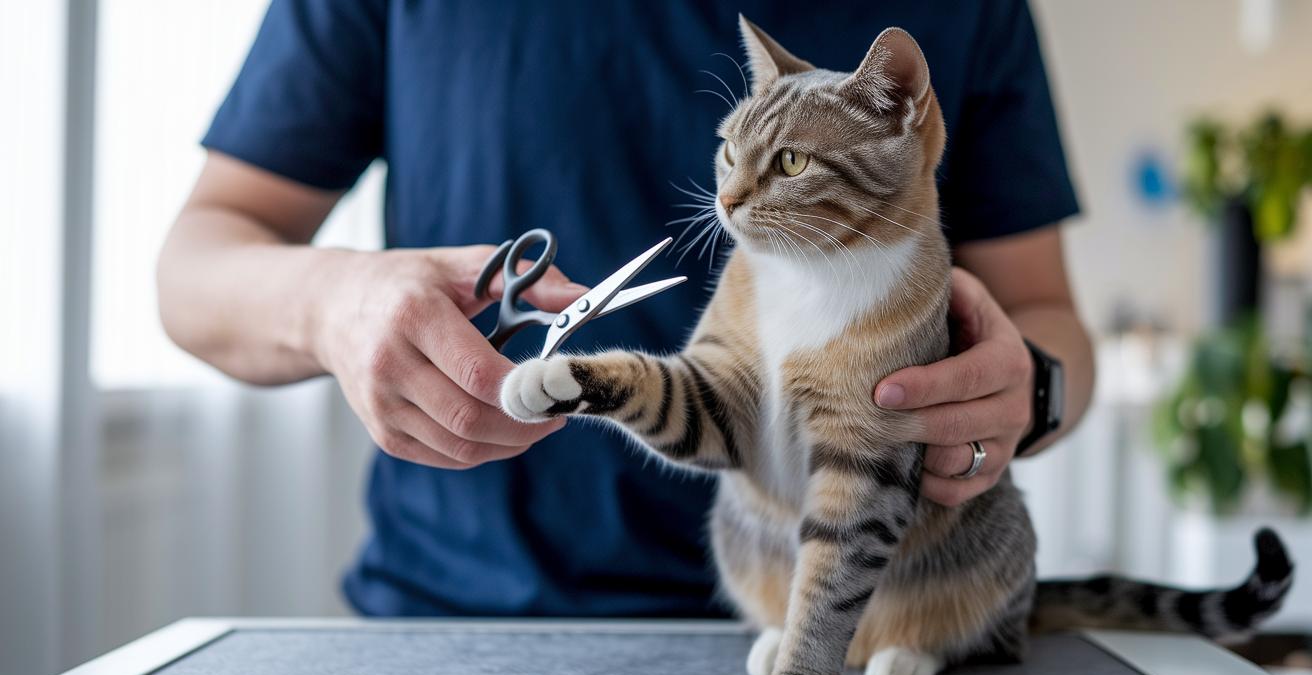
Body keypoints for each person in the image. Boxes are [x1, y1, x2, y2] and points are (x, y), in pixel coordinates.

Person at [158, 0, 1094, 618]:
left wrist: (1030, 393)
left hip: (851, 620)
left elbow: (1043, 311)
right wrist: (334, 301)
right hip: (457, 623)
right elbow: (194, 268)